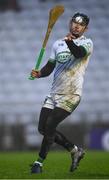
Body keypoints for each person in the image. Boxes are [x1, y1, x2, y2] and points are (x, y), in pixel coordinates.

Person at [30, 12, 93, 174]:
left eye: (81, 24)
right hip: (54, 93)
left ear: (86, 28)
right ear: (70, 23)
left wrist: (70, 41)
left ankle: (39, 162)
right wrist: (39, 74)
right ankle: (74, 150)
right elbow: (50, 67)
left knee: (51, 125)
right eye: (74, 23)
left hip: (72, 94)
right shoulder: (58, 44)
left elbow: (78, 53)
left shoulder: (87, 43)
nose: (76, 26)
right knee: (42, 128)